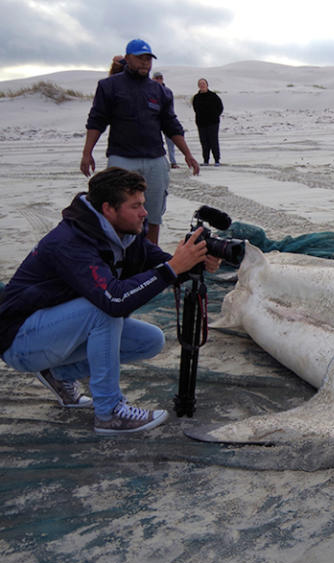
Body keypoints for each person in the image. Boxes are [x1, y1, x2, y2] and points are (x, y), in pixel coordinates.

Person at [0, 168, 218, 434]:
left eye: (143, 204)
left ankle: (57, 374)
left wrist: (193, 262)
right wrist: (172, 268)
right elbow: (115, 300)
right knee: (104, 310)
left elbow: (161, 265)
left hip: (53, 332)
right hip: (18, 340)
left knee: (150, 341)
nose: (144, 212)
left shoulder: (125, 235)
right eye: (135, 205)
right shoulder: (70, 242)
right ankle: (110, 413)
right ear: (108, 209)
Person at [81, 39, 200, 245]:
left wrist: (187, 154)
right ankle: (119, 257)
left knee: (152, 215)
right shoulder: (109, 86)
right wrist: (87, 153)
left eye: (148, 59)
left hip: (155, 160)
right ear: (128, 59)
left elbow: (171, 125)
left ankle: (149, 257)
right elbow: (97, 120)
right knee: (119, 214)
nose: (145, 63)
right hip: (122, 159)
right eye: (140, 58)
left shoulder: (160, 91)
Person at [192, 78, 224, 166]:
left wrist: (214, 116)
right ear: (198, 86)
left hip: (213, 123)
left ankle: (217, 160)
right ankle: (206, 160)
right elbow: (195, 109)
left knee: (213, 141)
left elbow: (220, 107)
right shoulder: (196, 97)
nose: (202, 85)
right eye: (200, 84)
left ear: (207, 84)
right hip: (201, 123)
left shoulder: (213, 96)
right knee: (204, 142)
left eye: (203, 83)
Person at [152, 71, 180, 168]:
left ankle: (173, 161)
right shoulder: (149, 90)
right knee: (156, 141)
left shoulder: (167, 91)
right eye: (157, 78)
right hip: (154, 120)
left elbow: (170, 106)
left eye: (160, 78)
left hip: (166, 119)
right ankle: (158, 161)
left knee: (170, 141)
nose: (159, 80)